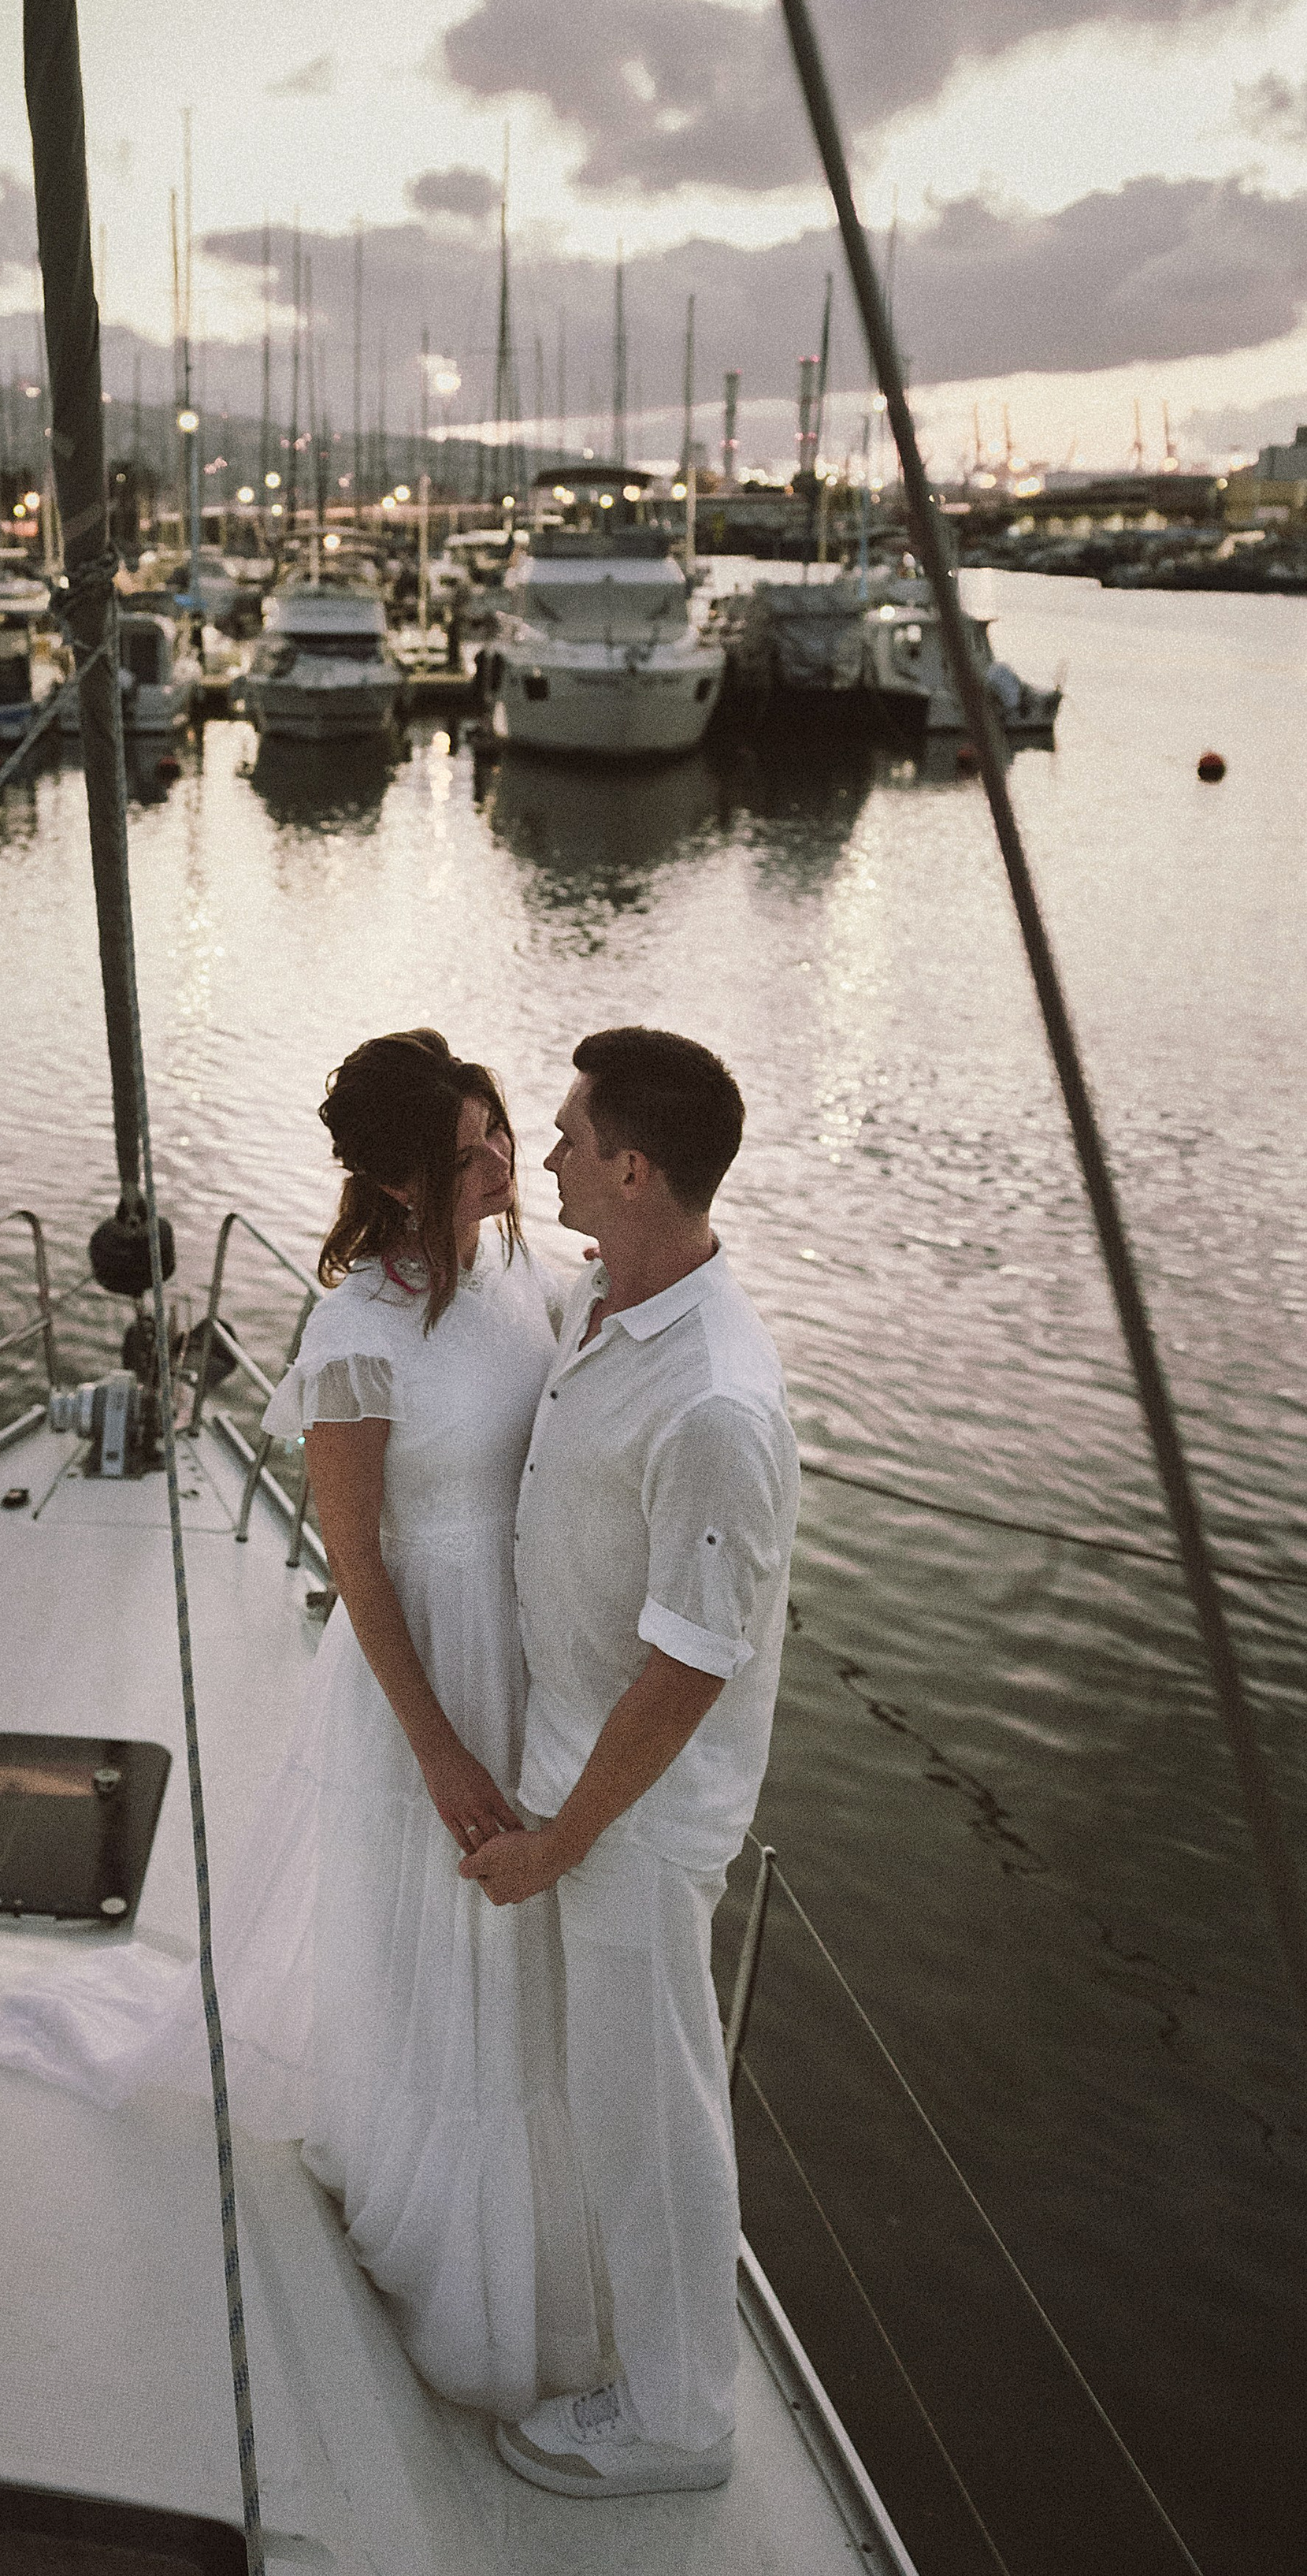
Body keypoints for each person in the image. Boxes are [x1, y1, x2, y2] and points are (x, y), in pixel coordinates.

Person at [0, 1028, 611, 2414]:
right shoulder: (355, 1331)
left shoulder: (524, 1274)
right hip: (423, 1664)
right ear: (394, 1179)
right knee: (433, 1939)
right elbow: (357, 1563)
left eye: (501, 1126)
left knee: (516, 1948)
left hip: (528, 1643)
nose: (503, 1159)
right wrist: (439, 1746)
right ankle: (443, 2226)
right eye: (467, 1153)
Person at [462, 1025, 800, 2498]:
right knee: (608, 2093)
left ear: (635, 1167)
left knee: (656, 2114)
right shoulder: (610, 1294)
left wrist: (561, 1839)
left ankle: (677, 2417)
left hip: (635, 1822)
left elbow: (684, 1675)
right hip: (569, 1769)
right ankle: (634, 2345)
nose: (546, 1158)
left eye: (566, 1138)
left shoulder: (716, 1403)